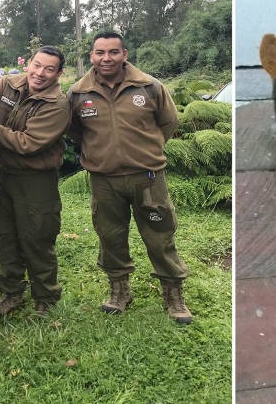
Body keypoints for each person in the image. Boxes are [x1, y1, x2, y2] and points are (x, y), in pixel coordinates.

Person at [67, 32, 192, 324]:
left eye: (113, 52)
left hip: (147, 177)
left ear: (125, 54)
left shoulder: (149, 87)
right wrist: (97, 153)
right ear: (91, 56)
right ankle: (119, 290)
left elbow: (169, 122)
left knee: (160, 236)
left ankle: (173, 294)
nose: (106, 58)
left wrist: (147, 150)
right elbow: (73, 130)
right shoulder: (78, 93)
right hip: (104, 180)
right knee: (110, 236)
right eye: (100, 53)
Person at [0, 46, 70, 319]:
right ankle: (11, 292)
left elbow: (28, 143)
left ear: (59, 74)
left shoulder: (57, 105)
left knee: (37, 236)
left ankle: (46, 296)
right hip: (7, 175)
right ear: (28, 63)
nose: (40, 73)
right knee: (6, 235)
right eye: (37, 65)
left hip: (36, 178)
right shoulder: (9, 84)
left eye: (49, 69)